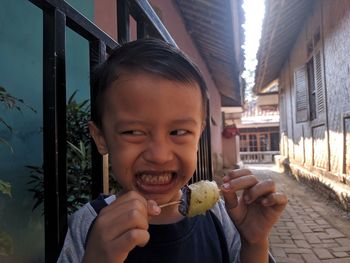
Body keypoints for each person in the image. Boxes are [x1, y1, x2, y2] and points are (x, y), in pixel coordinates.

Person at [58, 38, 287, 263]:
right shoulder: (89, 225)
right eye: (133, 132)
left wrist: (255, 243)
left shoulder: (222, 216)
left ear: (198, 136)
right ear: (101, 138)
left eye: (178, 132)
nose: (159, 156)